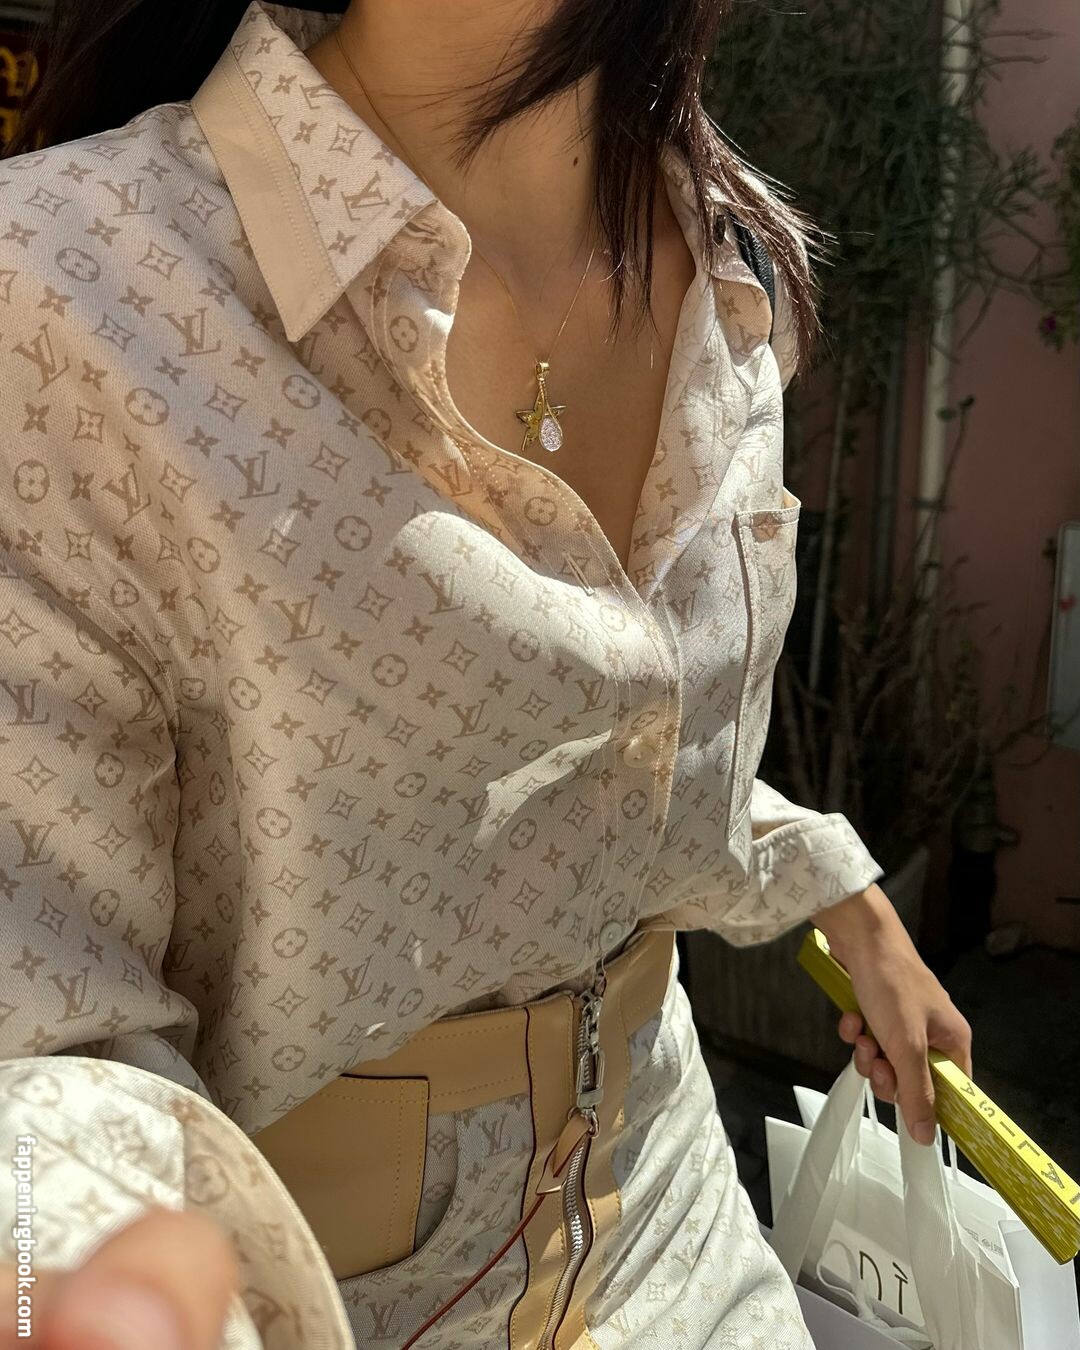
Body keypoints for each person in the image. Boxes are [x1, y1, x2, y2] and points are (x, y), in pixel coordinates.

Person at [0, 3, 974, 1348]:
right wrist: (83, 1259)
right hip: (308, 1297)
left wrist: (839, 891)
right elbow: (41, 1008)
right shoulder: (62, 286)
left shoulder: (733, 267)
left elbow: (598, 752)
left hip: (675, 1224)